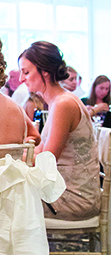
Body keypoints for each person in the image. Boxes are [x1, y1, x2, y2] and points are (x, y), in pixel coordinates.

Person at [19, 41, 100, 220]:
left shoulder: (64, 104)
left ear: (45, 71)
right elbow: (41, 150)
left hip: (74, 198)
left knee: (8, 203)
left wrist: (12, 158)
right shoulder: (59, 101)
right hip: (65, 190)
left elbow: (47, 160)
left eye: (26, 72)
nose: (21, 79)